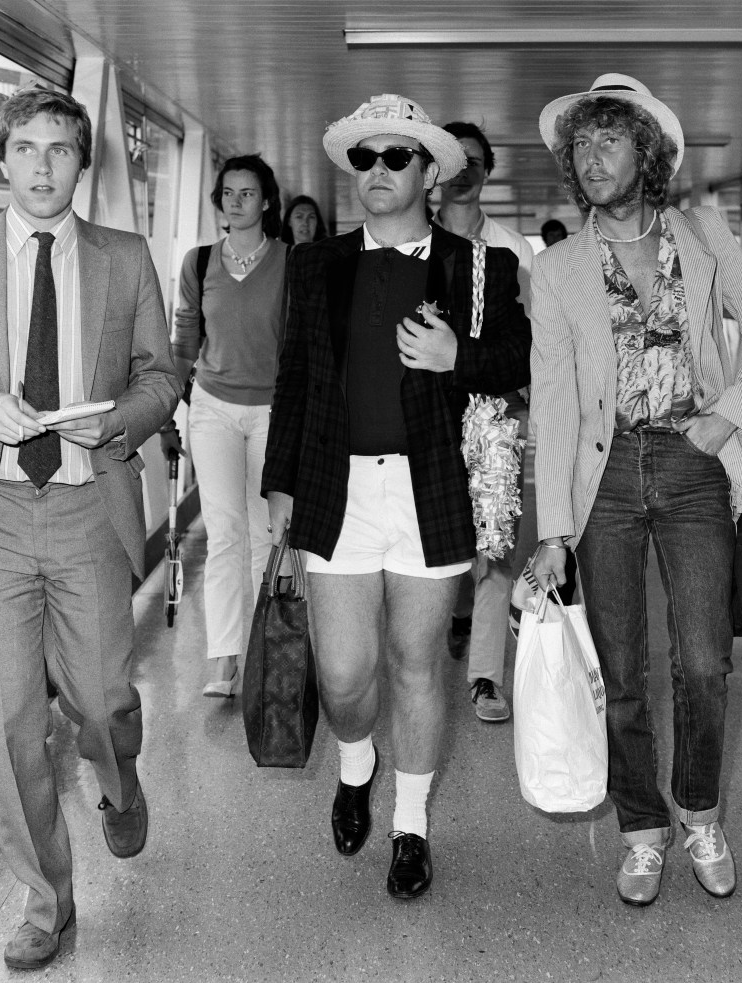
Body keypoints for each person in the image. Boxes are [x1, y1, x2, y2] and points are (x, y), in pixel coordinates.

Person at [529, 74, 742, 907]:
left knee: (704, 660)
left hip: (689, 462)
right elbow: (554, 398)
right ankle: (642, 830)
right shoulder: (558, 269)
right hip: (601, 476)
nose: (590, 156)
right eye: (580, 143)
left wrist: (726, 418)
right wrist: (551, 526)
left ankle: (700, 812)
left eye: (609, 139)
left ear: (645, 153)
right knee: (620, 668)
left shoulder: (703, 234)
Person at [262, 94, 530, 899]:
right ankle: (355, 763)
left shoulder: (479, 265)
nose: (375, 172)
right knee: (343, 674)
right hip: (336, 488)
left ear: (428, 172)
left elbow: (515, 362)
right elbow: (296, 379)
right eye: (364, 159)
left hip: (429, 488)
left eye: (394, 157)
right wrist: (278, 480)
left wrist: (459, 355)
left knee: (417, 663)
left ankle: (410, 826)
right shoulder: (314, 265)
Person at [0, 86, 181, 969]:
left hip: (90, 507)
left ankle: (119, 782)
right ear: (0, 161)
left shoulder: (124, 258)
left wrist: (121, 418)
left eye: (60, 149)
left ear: (82, 162)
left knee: (101, 699)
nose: (42, 165)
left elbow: (162, 374)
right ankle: (47, 902)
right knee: (8, 723)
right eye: (25, 149)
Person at [171, 155, 288, 697]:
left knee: (267, 533)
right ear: (218, 200)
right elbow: (183, 346)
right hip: (212, 407)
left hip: (272, 411)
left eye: (248, 193)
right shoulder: (198, 264)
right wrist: (170, 409)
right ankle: (223, 657)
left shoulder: (291, 262)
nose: (237, 202)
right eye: (228, 193)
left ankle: (266, 648)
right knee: (224, 533)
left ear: (266, 201)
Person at [436, 120, 533, 723]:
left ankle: (484, 677)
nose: (466, 170)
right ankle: (449, 616)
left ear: (489, 171)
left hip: (498, 410)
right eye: (456, 160)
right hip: (432, 417)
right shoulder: (413, 244)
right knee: (440, 541)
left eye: (477, 161)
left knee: (496, 545)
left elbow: (530, 342)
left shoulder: (513, 251)